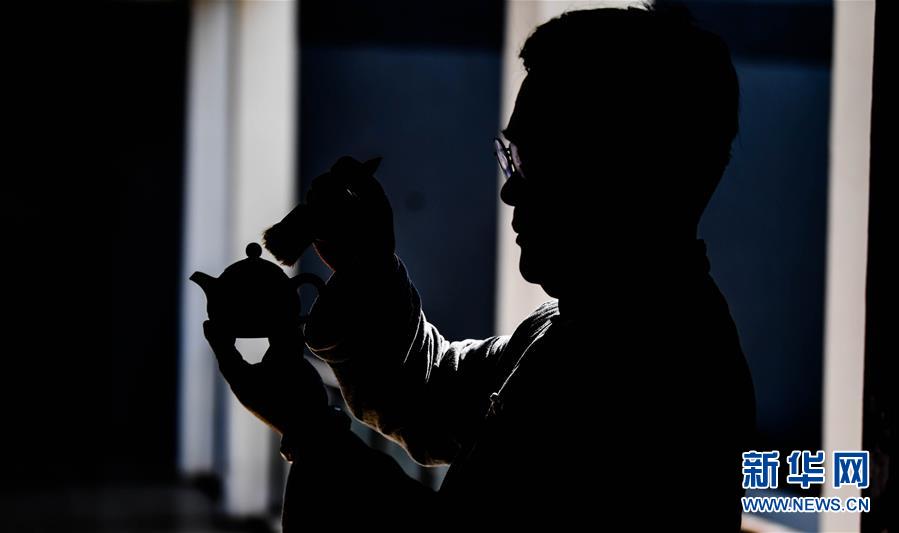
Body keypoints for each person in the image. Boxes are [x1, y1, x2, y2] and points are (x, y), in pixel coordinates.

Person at [203, 6, 756, 530]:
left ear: (624, 173)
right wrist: (364, 267)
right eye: (511, 156)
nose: (510, 190)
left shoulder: (656, 376)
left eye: (536, 160)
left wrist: (311, 432)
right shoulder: (576, 327)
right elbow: (435, 395)